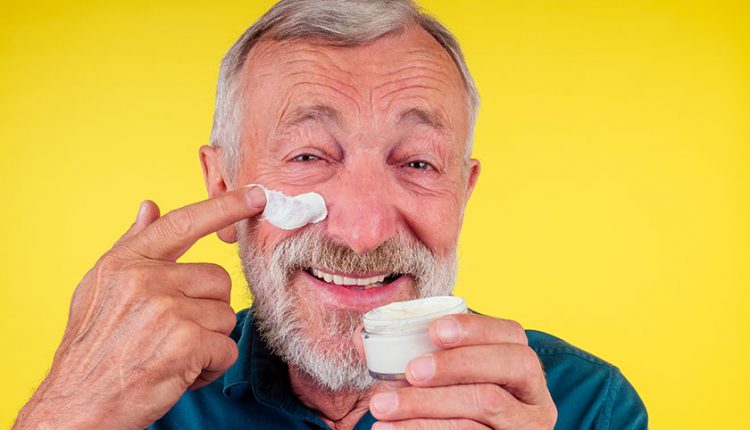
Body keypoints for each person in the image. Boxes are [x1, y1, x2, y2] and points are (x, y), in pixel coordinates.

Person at [14, 1, 648, 429]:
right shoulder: (141, 403)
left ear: (463, 192)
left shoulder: (585, 406)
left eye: (419, 164)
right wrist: (68, 409)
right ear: (224, 187)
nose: (363, 230)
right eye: (310, 154)